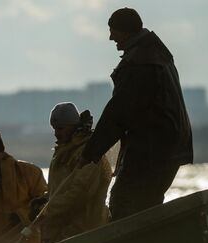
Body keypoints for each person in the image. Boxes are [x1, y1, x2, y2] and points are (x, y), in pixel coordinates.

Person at [79, 7, 193, 220]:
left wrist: (90, 153)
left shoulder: (140, 64)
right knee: (148, 206)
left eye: (113, 31)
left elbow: (118, 113)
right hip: (170, 148)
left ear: (125, 32)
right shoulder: (157, 56)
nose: (110, 37)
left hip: (152, 150)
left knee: (124, 203)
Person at [33, 102, 112, 243]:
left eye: (61, 128)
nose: (57, 133)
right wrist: (44, 200)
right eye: (54, 129)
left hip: (83, 233)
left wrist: (46, 210)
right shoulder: (64, 151)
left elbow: (80, 193)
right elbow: (59, 190)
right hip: (62, 234)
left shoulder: (88, 153)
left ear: (73, 126)